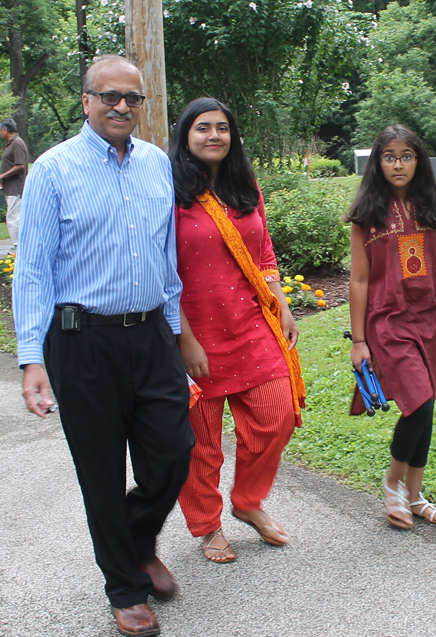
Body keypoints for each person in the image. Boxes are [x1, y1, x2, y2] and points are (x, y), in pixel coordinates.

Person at [13, 55, 194, 637]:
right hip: (81, 342)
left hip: (150, 334)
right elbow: (33, 270)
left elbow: (167, 256)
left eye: (132, 99)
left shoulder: (156, 166)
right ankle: (124, 585)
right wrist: (31, 358)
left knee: (172, 454)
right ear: (87, 100)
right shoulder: (52, 170)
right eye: (110, 96)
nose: (122, 106)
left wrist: (173, 330)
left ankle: (138, 542)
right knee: (100, 471)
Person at [169, 97, 305, 563]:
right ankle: (207, 525)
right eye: (203, 128)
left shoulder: (244, 186)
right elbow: (159, 272)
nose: (213, 136)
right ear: (185, 136)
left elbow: (263, 252)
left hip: (251, 324)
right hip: (194, 336)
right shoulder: (168, 191)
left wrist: (282, 302)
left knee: (277, 416)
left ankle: (247, 501)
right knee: (200, 443)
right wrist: (183, 338)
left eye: (222, 128)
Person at [346, 124, 436, 530]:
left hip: (431, 319)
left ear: (418, 161)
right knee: (420, 402)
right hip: (388, 321)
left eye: (406, 156)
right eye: (389, 156)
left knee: (425, 409)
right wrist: (359, 340)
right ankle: (393, 483)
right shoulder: (367, 213)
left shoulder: (434, 203)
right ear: (377, 162)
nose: (398, 164)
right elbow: (359, 279)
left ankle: (415, 494)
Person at [0, 118, 28, 251]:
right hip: (10, 188)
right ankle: (18, 246)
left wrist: (2, 175)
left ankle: (18, 248)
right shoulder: (11, 144)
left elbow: (20, 165)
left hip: (16, 188)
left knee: (13, 218)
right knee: (14, 216)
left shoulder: (17, 143)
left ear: (5, 129)